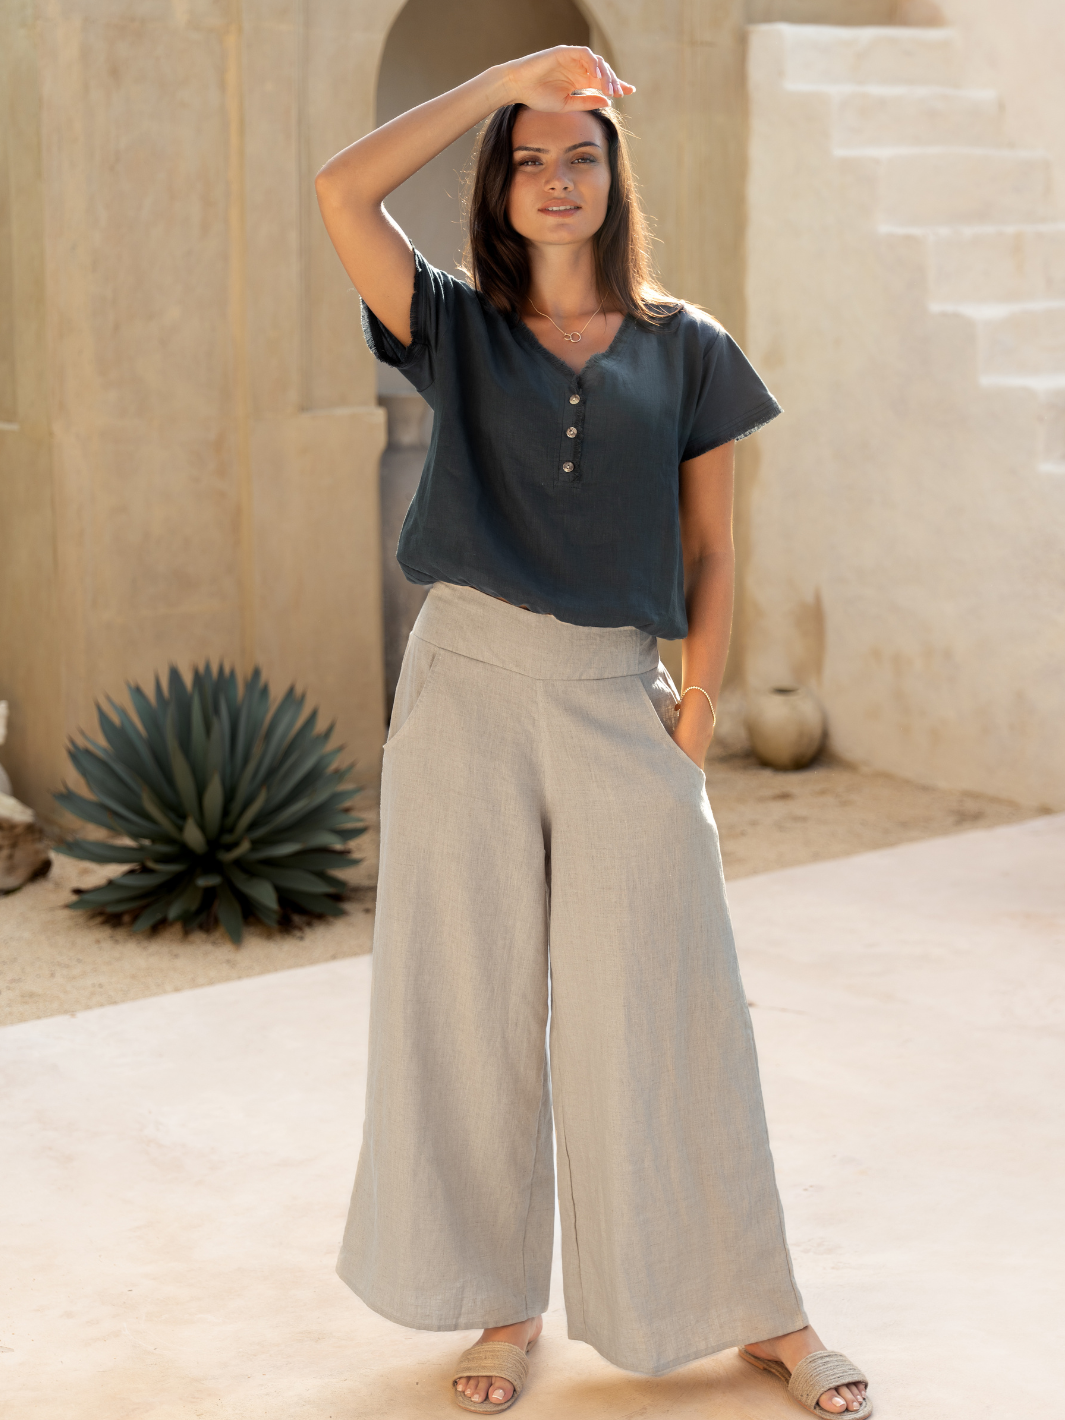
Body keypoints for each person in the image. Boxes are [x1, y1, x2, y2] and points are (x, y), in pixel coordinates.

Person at [315, 45, 871, 1419]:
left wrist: (693, 720)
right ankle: (501, 1307)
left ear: (616, 181)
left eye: (581, 156)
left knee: (671, 1004)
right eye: (529, 157)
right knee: (470, 1002)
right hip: (465, 688)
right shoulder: (452, 327)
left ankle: (761, 1310)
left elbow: (715, 552)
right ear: (498, 188)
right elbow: (339, 189)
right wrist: (506, 81)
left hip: (618, 690)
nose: (556, 180)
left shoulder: (691, 351)